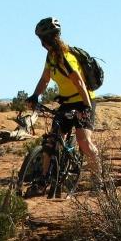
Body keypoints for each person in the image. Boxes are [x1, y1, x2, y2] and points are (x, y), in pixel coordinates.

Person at [25, 17, 101, 189]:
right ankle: (44, 179)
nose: (41, 43)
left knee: (84, 142)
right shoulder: (50, 57)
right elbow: (45, 79)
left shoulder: (65, 58)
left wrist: (87, 109)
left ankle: (99, 182)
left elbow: (80, 83)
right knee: (51, 141)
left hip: (83, 100)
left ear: (49, 39)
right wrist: (35, 95)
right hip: (67, 102)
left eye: (42, 39)